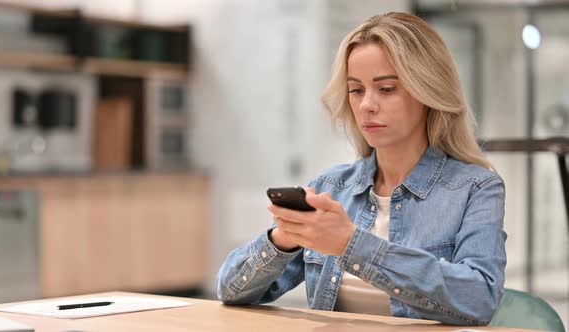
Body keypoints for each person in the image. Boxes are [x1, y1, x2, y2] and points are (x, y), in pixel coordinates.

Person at [216, 12, 506, 326]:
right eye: (356, 90)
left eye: (387, 89)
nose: (367, 104)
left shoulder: (476, 188)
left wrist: (352, 245)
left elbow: (479, 298)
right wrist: (282, 238)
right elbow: (231, 292)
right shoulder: (330, 189)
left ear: (429, 92)